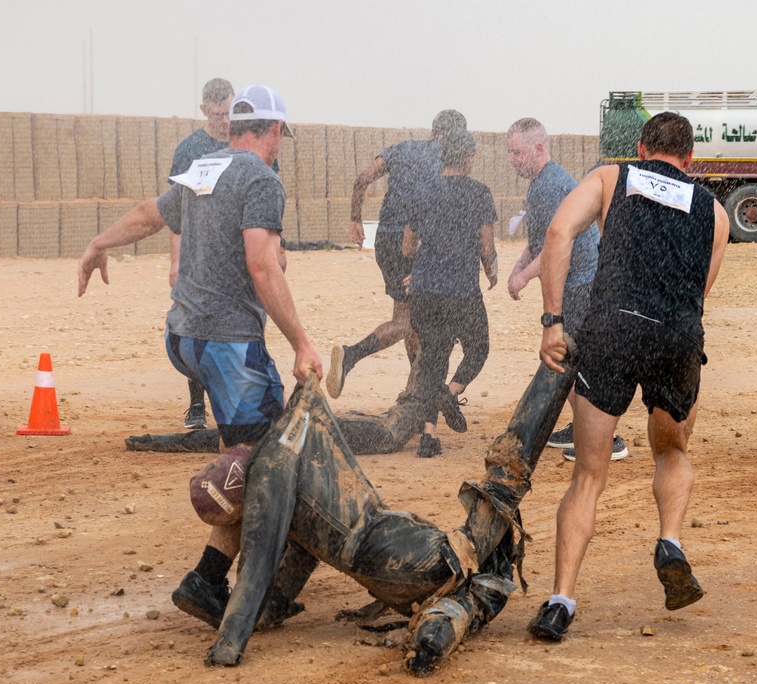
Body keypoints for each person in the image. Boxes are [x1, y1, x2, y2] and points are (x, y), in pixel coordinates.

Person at [78, 84, 323, 627]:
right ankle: (216, 583)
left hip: (184, 337)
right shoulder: (262, 178)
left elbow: (150, 213)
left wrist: (99, 243)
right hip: (229, 343)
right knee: (266, 464)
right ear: (273, 131)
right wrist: (301, 342)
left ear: (233, 126)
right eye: (282, 135)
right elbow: (263, 267)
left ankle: (237, 576)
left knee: (242, 451)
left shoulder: (203, 167)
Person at [202, 344, 579, 673]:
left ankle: (558, 368)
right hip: (401, 557)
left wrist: (229, 644)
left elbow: (257, 566)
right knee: (484, 530)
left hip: (399, 564)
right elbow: (300, 553)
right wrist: (275, 606)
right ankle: (441, 626)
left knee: (493, 507)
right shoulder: (291, 440)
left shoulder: (269, 472)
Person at [527, 112, 729, 641]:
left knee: (589, 475)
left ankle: (560, 602)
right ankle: (670, 540)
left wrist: (552, 320)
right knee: (671, 451)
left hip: (613, 331)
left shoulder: (611, 177)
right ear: (690, 160)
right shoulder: (717, 212)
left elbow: (557, 232)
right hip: (677, 338)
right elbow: (699, 290)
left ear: (641, 147)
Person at [505, 118, 627, 462]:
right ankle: (581, 429)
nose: (511, 159)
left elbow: (557, 245)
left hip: (582, 284)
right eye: (509, 153)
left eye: (516, 152)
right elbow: (540, 241)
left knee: (570, 361)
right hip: (579, 282)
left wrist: (523, 278)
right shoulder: (543, 182)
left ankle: (607, 439)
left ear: (539, 148)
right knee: (568, 360)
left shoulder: (547, 186)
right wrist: (519, 269)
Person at [327, 109, 467, 400]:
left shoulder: (402, 149)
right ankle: (351, 355)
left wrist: (355, 220)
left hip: (386, 239)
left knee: (410, 316)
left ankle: (413, 390)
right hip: (414, 242)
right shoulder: (449, 160)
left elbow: (361, 180)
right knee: (410, 322)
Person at [403, 129, 498, 457]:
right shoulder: (480, 193)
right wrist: (493, 271)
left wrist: (428, 261)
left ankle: (428, 437)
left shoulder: (421, 191)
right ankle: (450, 392)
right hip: (461, 291)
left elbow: (406, 246)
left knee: (432, 357)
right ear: (469, 158)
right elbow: (487, 247)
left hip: (424, 290)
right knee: (478, 348)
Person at [168, 78, 235, 430]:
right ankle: (197, 405)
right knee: (194, 324)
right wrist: (175, 260)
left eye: (229, 112)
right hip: (197, 251)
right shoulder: (190, 148)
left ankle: (234, 402)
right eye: (218, 113)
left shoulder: (245, 142)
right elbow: (175, 211)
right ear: (204, 110)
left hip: (236, 252)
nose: (225, 120)